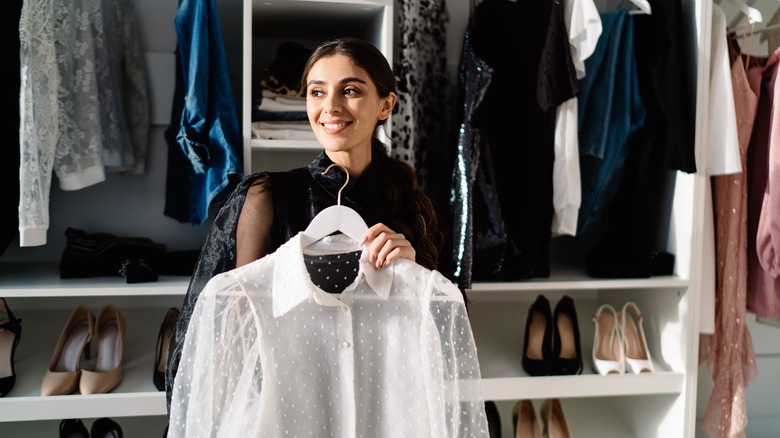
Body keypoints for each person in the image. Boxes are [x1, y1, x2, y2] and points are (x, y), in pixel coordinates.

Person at [164, 36, 443, 413]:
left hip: (380, 402)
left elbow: (440, 339)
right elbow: (233, 338)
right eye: (316, 92)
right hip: (291, 405)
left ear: (386, 104)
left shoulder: (411, 205)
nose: (330, 107)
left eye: (350, 90)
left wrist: (414, 276)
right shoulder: (267, 198)